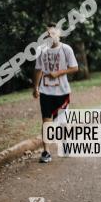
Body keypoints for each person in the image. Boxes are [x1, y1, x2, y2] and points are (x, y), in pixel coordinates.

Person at [33, 26, 79, 163]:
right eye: (47, 34)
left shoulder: (66, 49)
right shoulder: (41, 50)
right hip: (46, 91)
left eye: (53, 33)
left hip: (62, 91)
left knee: (63, 122)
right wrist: (35, 87)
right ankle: (46, 152)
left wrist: (58, 73)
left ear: (59, 34)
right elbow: (38, 69)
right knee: (46, 120)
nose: (50, 35)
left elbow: (75, 67)